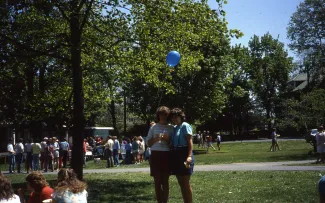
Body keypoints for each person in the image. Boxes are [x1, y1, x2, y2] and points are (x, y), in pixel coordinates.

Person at [146, 106, 173, 203]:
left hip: (166, 155)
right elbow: (148, 143)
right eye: (161, 114)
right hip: (155, 154)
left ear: (167, 115)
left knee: (165, 181)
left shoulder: (171, 128)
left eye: (165, 114)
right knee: (157, 181)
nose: (162, 116)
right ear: (158, 115)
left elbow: (172, 145)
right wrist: (156, 139)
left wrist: (167, 139)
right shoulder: (153, 127)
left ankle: (165, 201)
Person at [170, 108, 194, 203]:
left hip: (184, 153)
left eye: (176, 117)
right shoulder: (175, 128)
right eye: (172, 118)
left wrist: (189, 156)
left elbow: (190, 142)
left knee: (185, 183)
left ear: (181, 117)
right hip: (176, 154)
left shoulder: (185, 125)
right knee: (180, 182)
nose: (174, 119)